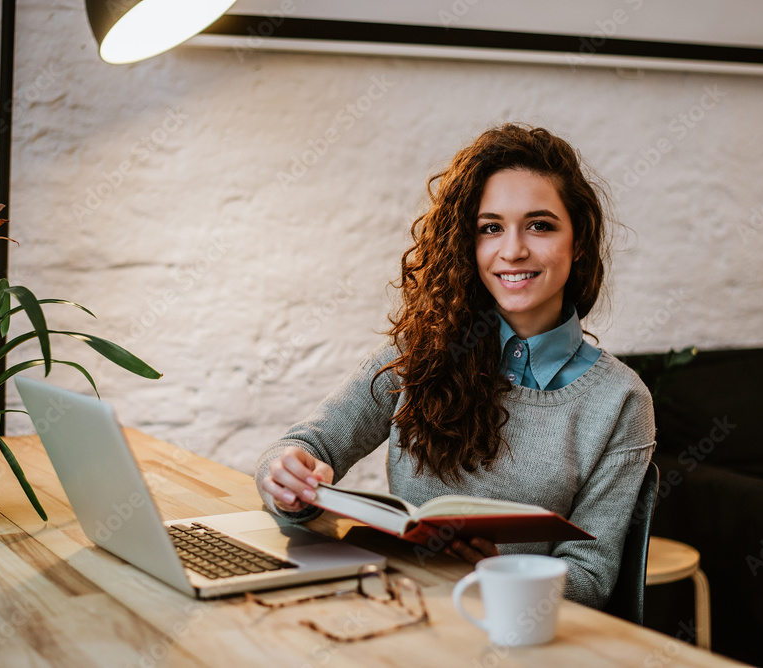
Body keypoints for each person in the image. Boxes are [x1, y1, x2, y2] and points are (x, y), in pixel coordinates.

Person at [255, 123, 655, 610]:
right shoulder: (417, 351)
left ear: (580, 241)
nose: (513, 250)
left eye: (540, 225)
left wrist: (501, 573)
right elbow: (307, 444)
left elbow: (592, 579)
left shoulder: (620, 399)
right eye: (491, 228)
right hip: (396, 610)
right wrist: (285, 477)